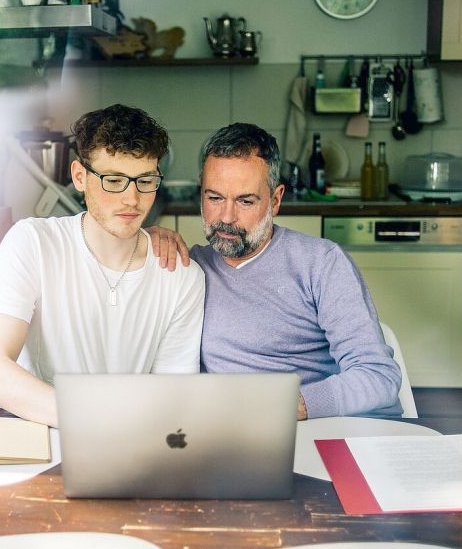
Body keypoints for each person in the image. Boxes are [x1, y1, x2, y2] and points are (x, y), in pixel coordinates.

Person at [0, 104, 205, 427]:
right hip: (38, 437)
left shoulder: (182, 276)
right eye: (113, 180)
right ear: (80, 177)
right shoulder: (33, 243)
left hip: (127, 444)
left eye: (145, 181)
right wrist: (91, 420)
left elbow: (173, 396)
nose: (132, 199)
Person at [151, 123, 401, 419]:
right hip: (233, 436)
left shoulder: (321, 263)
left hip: (317, 427)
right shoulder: (187, 268)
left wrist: (288, 405)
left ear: (276, 199)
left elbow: (379, 376)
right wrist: (147, 239)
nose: (226, 216)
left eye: (246, 200)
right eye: (214, 198)